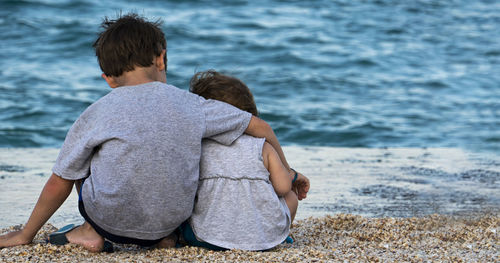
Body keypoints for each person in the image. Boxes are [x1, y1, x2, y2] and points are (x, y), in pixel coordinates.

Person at [0, 13, 307, 252]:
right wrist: (287, 170)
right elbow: (260, 127)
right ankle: (162, 240)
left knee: (81, 162)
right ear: (161, 58)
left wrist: (26, 233)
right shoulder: (192, 105)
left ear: (108, 78)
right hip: (170, 223)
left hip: (110, 223)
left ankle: (89, 233)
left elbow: (59, 182)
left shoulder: (96, 112)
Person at [180, 70, 310, 251]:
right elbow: (283, 187)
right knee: (290, 197)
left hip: (205, 237)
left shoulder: (199, 147)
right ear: (249, 113)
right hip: (261, 240)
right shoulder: (263, 147)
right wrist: (292, 176)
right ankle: (279, 237)